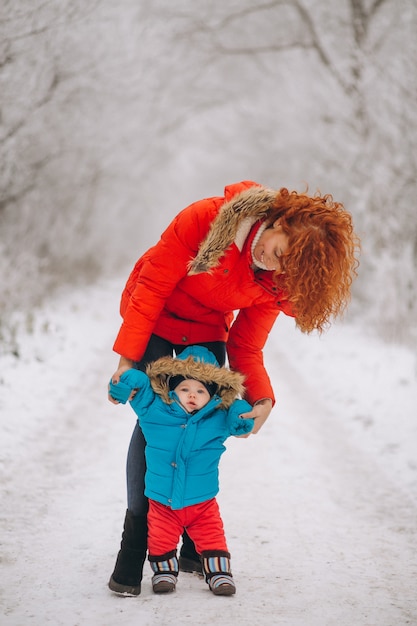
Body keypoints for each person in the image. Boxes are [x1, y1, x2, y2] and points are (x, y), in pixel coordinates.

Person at [107, 180, 360, 596]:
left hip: (207, 328)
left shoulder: (276, 281)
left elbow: (245, 344)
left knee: (202, 415)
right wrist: (127, 359)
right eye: (278, 252)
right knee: (162, 420)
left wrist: (262, 399)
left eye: (285, 267)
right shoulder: (207, 220)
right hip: (155, 311)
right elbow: (152, 288)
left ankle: (190, 543)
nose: (272, 264)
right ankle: (136, 545)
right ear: (280, 220)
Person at [109, 345, 254, 596]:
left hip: (203, 503)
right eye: (184, 388)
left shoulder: (217, 419)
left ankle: (219, 574)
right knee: (160, 539)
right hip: (162, 501)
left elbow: (238, 419)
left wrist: (241, 416)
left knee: (212, 538)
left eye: (200, 390)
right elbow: (141, 387)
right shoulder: (154, 411)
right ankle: (164, 573)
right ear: (171, 388)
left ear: (213, 394)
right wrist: (126, 379)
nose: (192, 395)